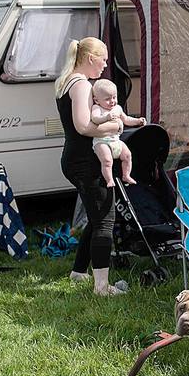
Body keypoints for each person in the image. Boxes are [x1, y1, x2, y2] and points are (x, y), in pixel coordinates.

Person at [53, 37, 128, 296]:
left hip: (74, 158)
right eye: (103, 59)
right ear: (90, 58)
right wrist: (116, 126)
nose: (105, 65)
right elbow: (84, 126)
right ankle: (101, 286)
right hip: (85, 161)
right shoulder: (82, 84)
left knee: (97, 218)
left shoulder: (66, 81)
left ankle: (78, 272)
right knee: (106, 219)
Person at [89, 78, 146, 187]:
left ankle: (126, 175)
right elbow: (95, 119)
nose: (112, 101)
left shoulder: (117, 108)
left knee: (127, 155)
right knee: (107, 160)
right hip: (102, 141)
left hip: (116, 140)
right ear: (97, 100)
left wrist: (138, 121)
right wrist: (106, 117)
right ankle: (109, 180)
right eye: (107, 99)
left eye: (114, 97)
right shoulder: (97, 108)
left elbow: (126, 119)